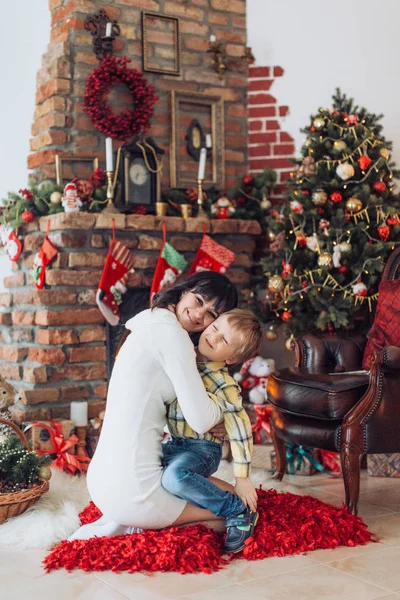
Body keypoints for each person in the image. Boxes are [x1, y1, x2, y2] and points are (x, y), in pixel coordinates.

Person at [69, 271, 238, 541]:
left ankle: (141, 520)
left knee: (194, 482)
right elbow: (201, 421)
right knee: (234, 505)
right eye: (198, 300)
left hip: (101, 481)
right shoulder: (174, 337)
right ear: (185, 291)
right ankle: (147, 522)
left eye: (210, 315)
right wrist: (226, 411)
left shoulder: (151, 319)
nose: (198, 314)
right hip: (135, 492)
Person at [162, 308, 262, 553]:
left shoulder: (224, 383)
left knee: (174, 478)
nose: (213, 337)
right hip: (173, 443)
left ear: (230, 359)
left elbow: (240, 427)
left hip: (201, 449)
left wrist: (242, 477)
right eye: (215, 328)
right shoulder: (183, 359)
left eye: (224, 340)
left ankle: (236, 509)